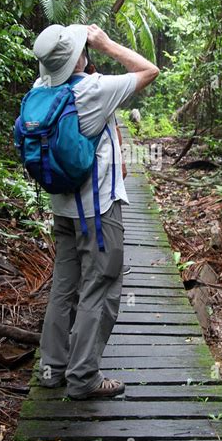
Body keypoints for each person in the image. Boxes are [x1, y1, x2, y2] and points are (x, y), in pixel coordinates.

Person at [32, 23, 159, 400]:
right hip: (98, 212)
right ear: (80, 56)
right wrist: (106, 44)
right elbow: (149, 70)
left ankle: (52, 368)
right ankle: (84, 376)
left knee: (64, 286)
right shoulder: (93, 90)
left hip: (63, 209)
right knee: (100, 286)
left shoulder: (41, 90)